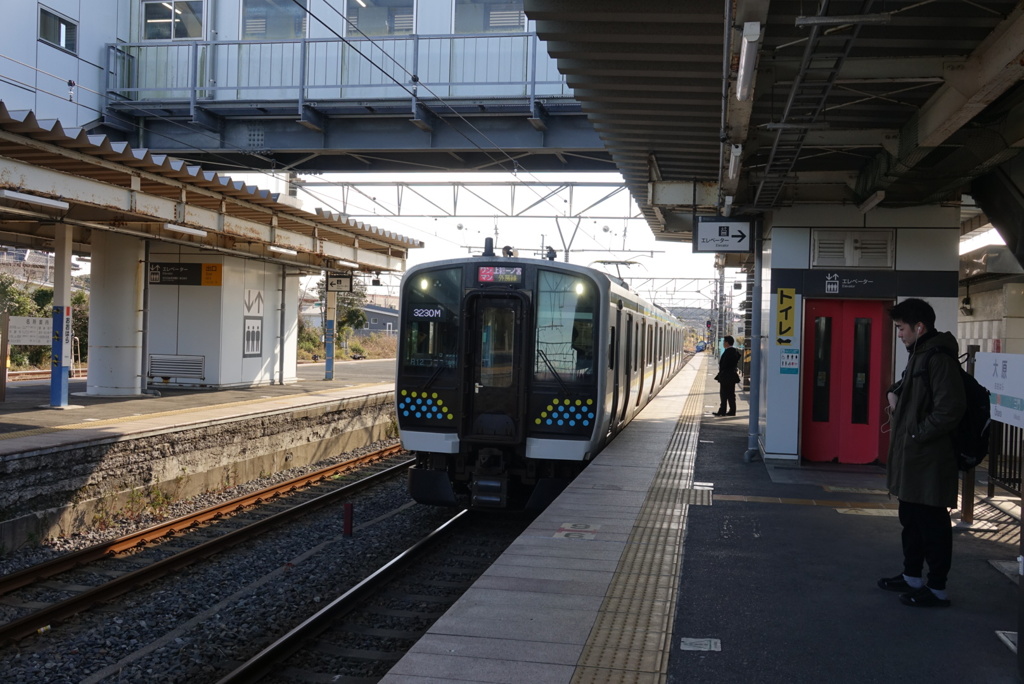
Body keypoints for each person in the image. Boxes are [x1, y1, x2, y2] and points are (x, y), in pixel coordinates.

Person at [878, 298, 965, 608]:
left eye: (901, 329)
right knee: (911, 519)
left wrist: (916, 434)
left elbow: (950, 409)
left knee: (932, 524)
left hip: (929, 459)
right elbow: (905, 389)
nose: (899, 334)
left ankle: (937, 588)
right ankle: (912, 576)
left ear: (919, 327)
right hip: (914, 459)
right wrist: (893, 393)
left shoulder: (938, 357)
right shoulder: (920, 354)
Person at [713, 336, 741, 416]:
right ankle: (732, 410)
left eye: (724, 342)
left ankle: (723, 411)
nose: (723, 343)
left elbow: (724, 364)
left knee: (724, 394)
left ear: (727, 343)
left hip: (726, 376)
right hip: (731, 376)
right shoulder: (734, 351)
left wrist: (721, 372)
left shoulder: (729, 352)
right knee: (731, 394)